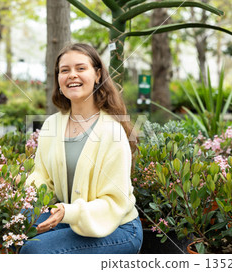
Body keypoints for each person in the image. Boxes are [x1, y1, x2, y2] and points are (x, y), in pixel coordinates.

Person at [20, 43, 143, 254]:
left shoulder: (112, 131)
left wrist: (68, 211)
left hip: (116, 228)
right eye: (64, 70)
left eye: (80, 68)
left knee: (35, 252)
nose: (72, 75)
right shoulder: (52, 124)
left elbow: (114, 201)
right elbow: (42, 176)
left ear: (97, 75)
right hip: (71, 218)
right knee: (12, 229)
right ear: (58, 79)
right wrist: (25, 188)